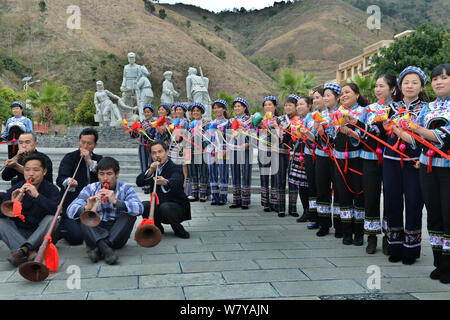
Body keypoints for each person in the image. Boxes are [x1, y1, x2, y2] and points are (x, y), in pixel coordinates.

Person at [403, 64, 450, 281]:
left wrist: (416, 129)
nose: (439, 82)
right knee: (434, 214)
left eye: (444, 77)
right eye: (435, 79)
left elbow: (443, 136)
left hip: (447, 169)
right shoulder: (427, 108)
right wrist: (395, 128)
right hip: (428, 169)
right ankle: (439, 262)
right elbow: (415, 141)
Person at [382, 66, 427, 265]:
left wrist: (399, 131)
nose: (409, 86)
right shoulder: (389, 108)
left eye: (414, 82)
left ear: (421, 86)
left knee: (414, 203)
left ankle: (411, 249)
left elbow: (420, 140)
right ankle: (394, 246)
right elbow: (378, 132)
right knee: (392, 202)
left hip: (414, 162)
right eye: (406, 82)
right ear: (400, 85)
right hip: (391, 160)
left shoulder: (427, 109)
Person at [66, 157, 143, 265]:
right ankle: (106, 249)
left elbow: (140, 208)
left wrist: (117, 202)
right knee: (84, 216)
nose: (105, 178)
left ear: (117, 174)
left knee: (129, 215)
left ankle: (100, 248)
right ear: (97, 174)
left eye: (109, 174)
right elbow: (70, 210)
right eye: (101, 174)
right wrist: (86, 208)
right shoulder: (91, 188)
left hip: (117, 234)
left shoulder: (126, 188)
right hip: (95, 229)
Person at [354, 74, 400, 254]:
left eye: (382, 86)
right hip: (370, 158)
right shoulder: (369, 109)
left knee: (390, 197)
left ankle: (389, 237)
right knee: (371, 197)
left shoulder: (398, 110)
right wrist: (354, 130)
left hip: (391, 160)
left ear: (392, 89)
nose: (378, 89)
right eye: (376, 86)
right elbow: (362, 133)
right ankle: (371, 237)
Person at [0, 154, 61, 267]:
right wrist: (13, 203)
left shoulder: (52, 189)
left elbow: (55, 210)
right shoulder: (15, 188)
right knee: (1, 222)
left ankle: (23, 250)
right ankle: (29, 251)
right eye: (27, 170)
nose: (31, 174)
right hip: (20, 232)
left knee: (52, 220)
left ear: (44, 172)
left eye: (36, 170)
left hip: (41, 233)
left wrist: (37, 196)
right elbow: (3, 215)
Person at [334, 83, 368, 246]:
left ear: (357, 94)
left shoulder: (363, 112)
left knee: (359, 194)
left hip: (357, 159)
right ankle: (347, 232)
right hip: (339, 158)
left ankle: (359, 233)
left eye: (347, 92)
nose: (344, 95)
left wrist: (351, 132)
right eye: (341, 93)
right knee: (343, 195)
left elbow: (365, 136)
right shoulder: (337, 112)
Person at [55, 128, 103, 245]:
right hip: (74, 204)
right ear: (78, 142)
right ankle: (63, 224)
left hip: (94, 206)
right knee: (76, 238)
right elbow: (60, 178)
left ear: (95, 145)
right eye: (83, 142)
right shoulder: (69, 157)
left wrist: (89, 160)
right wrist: (68, 181)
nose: (85, 146)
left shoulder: (99, 159)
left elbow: (103, 177)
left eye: (89, 143)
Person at [136, 141, 191, 239]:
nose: (157, 155)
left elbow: (177, 180)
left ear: (166, 152)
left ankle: (178, 229)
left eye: (160, 152)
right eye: (154, 153)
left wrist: (166, 182)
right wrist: (150, 171)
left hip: (176, 207)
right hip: (159, 206)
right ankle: (157, 228)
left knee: (165, 207)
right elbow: (139, 182)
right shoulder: (152, 167)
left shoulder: (175, 165)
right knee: (144, 205)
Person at [313, 83, 342, 238]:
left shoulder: (342, 113)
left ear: (337, 97)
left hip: (337, 156)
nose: (325, 98)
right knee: (322, 189)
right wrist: (315, 129)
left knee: (338, 190)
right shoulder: (319, 115)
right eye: (324, 95)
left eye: (328, 95)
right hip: (321, 155)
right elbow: (313, 137)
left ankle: (339, 225)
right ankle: (324, 224)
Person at [288, 96, 312, 221]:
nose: (298, 107)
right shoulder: (298, 121)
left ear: (309, 106)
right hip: (299, 153)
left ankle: (312, 212)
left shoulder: (312, 118)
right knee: (301, 184)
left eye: (301, 104)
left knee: (309, 184)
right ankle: (306, 210)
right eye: (297, 104)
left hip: (309, 153)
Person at [205, 99, 231, 205]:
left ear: (224, 109)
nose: (216, 110)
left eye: (219, 107)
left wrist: (222, 135)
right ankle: (214, 196)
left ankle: (223, 197)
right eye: (214, 108)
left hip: (223, 150)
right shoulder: (210, 123)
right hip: (211, 150)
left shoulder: (228, 123)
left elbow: (231, 138)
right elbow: (206, 139)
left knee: (223, 172)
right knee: (212, 173)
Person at [257, 95, 280, 212]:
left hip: (275, 151)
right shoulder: (260, 120)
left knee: (275, 176)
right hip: (262, 150)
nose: (267, 106)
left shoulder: (279, 120)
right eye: (265, 105)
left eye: (270, 104)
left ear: (275, 106)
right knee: (264, 175)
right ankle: (265, 202)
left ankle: (275, 202)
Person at [229, 97, 252, 210]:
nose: (237, 108)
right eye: (235, 106)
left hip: (245, 149)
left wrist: (247, 144)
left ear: (244, 107)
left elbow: (254, 135)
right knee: (235, 172)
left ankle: (245, 200)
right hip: (234, 149)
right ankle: (236, 199)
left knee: (245, 172)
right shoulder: (231, 120)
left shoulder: (249, 120)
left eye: (239, 106)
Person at [187, 102, 209, 202]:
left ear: (201, 112)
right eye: (193, 111)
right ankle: (194, 193)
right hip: (191, 150)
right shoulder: (189, 124)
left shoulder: (206, 124)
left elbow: (209, 139)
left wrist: (201, 134)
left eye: (197, 111)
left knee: (203, 171)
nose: (195, 112)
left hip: (202, 150)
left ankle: (203, 194)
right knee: (192, 171)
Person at [133, 104, 156, 194]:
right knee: (143, 164)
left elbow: (154, 134)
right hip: (142, 146)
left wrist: (144, 131)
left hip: (151, 146)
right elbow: (134, 135)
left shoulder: (155, 123)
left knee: (151, 164)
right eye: (145, 112)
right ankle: (145, 184)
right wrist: (134, 130)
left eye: (148, 112)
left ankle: (151, 183)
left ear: (152, 112)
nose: (146, 114)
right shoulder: (141, 122)